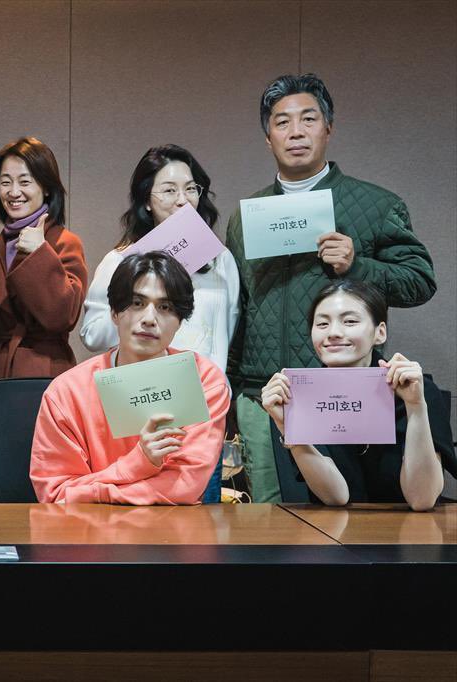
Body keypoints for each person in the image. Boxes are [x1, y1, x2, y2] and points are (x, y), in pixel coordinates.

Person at [226, 73, 436, 503]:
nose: (296, 132)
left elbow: (419, 282)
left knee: (350, 516)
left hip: (344, 394)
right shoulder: (246, 217)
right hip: (265, 395)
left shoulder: (376, 204)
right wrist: (233, 392)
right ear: (268, 137)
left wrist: (357, 265)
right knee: (269, 525)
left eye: (308, 119)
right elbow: (240, 308)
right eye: (282, 122)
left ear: (328, 128)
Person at [31, 252, 229, 505]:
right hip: (89, 526)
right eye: (137, 303)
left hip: (172, 526)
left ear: (180, 321)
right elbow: (55, 494)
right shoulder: (66, 392)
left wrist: (93, 491)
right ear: (114, 312)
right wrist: (137, 463)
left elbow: (185, 486)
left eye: (165, 307)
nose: (149, 319)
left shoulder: (203, 380)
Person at [261, 281, 455, 510]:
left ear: (380, 332)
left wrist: (415, 407)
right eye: (322, 323)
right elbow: (336, 497)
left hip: (408, 528)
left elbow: (422, 499)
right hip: (335, 528)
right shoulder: (297, 396)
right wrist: (289, 428)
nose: (333, 333)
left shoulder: (417, 389)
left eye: (350, 321)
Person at [80, 145, 239, 372]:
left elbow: (229, 328)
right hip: (144, 385)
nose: (183, 200)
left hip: (205, 386)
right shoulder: (120, 261)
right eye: (169, 190)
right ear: (147, 201)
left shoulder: (220, 260)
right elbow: (93, 335)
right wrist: (134, 296)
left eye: (190, 189)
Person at [0, 136, 87, 381]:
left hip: (45, 370)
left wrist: (40, 253)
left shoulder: (65, 242)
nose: (14, 192)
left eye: (25, 181)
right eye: (5, 182)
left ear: (46, 187)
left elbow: (63, 317)